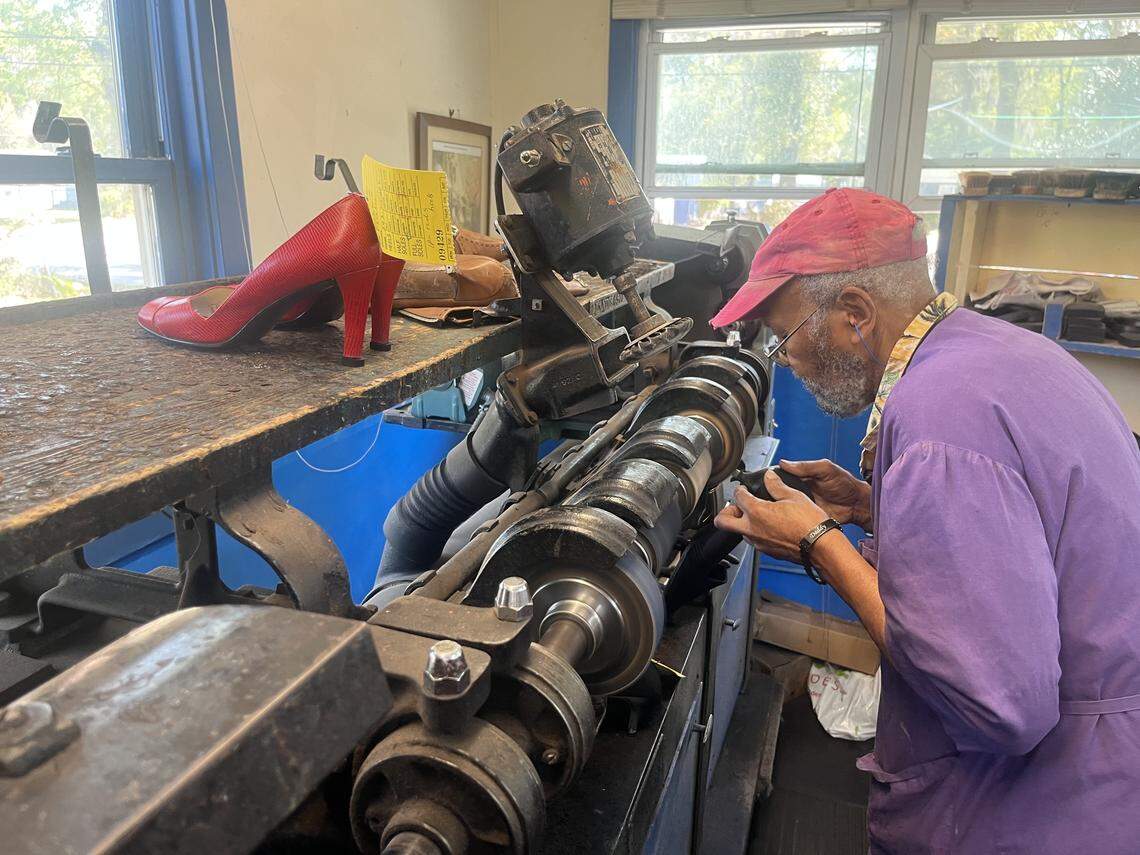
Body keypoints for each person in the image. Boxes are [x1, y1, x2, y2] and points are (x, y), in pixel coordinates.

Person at [710, 188, 1140, 854]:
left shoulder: (942, 416)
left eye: (785, 335)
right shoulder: (987, 352)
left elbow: (1001, 704)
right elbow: (1026, 530)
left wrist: (821, 544)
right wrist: (869, 503)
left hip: (1047, 802)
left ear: (854, 312)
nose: (786, 359)